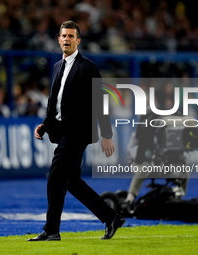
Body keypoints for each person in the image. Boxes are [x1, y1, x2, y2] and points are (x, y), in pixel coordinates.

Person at [29, 20, 125, 241]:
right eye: (64, 36)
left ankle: (51, 230)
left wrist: (107, 135)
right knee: (72, 182)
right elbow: (56, 103)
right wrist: (45, 126)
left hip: (78, 133)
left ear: (78, 41)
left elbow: (101, 102)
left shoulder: (87, 67)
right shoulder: (56, 66)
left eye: (71, 36)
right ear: (59, 39)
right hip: (62, 131)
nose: (66, 39)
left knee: (55, 177)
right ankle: (111, 218)